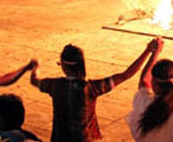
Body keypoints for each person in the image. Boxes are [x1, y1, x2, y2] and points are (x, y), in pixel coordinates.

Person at [30, 38, 161, 142]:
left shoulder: (55, 85)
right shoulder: (91, 88)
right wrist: (149, 51)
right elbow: (126, 74)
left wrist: (34, 68)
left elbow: (34, 81)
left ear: (64, 66)